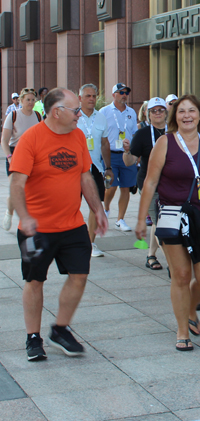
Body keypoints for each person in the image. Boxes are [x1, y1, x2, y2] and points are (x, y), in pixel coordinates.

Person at [9, 88, 108, 361]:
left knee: (79, 275)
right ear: (56, 112)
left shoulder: (77, 135)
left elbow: (85, 176)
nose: (79, 114)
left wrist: (97, 209)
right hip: (37, 228)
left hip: (72, 224)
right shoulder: (31, 140)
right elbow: (16, 184)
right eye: (75, 110)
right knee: (35, 280)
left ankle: (60, 329)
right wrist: (25, 217)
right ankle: (33, 337)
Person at [135, 94, 200, 351]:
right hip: (172, 214)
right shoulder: (165, 143)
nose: (186, 116)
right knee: (180, 275)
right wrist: (141, 218)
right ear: (174, 116)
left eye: (191, 111)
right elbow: (150, 182)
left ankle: (190, 309)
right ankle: (182, 330)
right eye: (181, 112)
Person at [124, 97, 167, 271]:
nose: (157, 113)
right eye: (153, 111)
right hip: (149, 185)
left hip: (171, 185)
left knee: (160, 222)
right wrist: (127, 152)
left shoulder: (175, 132)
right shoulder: (142, 134)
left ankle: (151, 255)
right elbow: (130, 161)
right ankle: (174, 263)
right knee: (159, 221)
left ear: (166, 112)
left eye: (160, 110)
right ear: (148, 114)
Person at [77, 83, 113, 257]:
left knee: (95, 205)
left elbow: (105, 143)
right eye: (88, 96)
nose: (91, 99)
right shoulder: (73, 117)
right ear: (80, 98)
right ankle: (71, 240)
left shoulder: (101, 117)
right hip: (74, 169)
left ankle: (90, 244)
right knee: (72, 206)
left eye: (94, 96)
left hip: (96, 168)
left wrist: (108, 167)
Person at [1, 88, 41, 231]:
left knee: (32, 189)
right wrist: (9, 157)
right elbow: (4, 141)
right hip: (15, 153)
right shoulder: (13, 116)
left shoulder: (38, 116)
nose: (30, 102)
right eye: (28, 100)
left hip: (33, 154)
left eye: (32, 100)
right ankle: (9, 212)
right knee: (15, 189)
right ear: (21, 101)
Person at [100, 83, 138, 231]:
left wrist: (136, 154)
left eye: (126, 92)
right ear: (114, 94)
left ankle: (120, 219)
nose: (124, 95)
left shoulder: (131, 112)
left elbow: (134, 133)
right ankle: (106, 208)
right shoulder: (104, 111)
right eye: (121, 92)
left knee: (126, 187)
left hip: (127, 155)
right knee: (111, 186)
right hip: (110, 155)